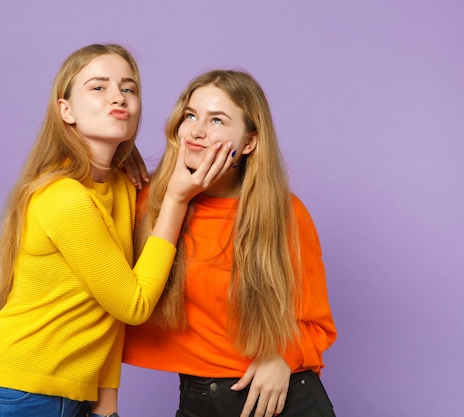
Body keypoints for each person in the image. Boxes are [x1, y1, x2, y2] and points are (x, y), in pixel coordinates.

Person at [0, 44, 236, 417]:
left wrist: (105, 405)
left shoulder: (121, 187)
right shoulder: (64, 198)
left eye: (129, 88)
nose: (118, 96)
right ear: (66, 110)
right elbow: (132, 304)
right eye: (98, 87)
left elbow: (104, 316)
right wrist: (176, 200)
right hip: (5, 395)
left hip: (70, 399)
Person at [123, 70, 338, 417]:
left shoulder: (285, 213)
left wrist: (284, 358)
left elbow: (318, 324)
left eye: (217, 120)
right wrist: (123, 152)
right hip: (196, 398)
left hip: (279, 400)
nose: (196, 131)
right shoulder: (150, 204)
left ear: (250, 142)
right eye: (190, 116)